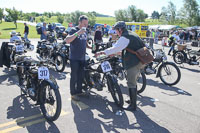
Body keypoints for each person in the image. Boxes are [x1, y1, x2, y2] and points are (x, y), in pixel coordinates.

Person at [95, 21, 144, 111]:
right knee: (133, 82)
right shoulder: (131, 33)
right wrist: (117, 53)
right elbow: (130, 48)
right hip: (140, 61)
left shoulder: (125, 37)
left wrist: (103, 52)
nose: (116, 32)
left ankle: (133, 106)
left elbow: (115, 48)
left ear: (120, 29)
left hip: (134, 62)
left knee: (131, 83)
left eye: (116, 30)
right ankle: (132, 100)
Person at [65, 15, 91, 101]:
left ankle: (79, 91)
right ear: (79, 22)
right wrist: (78, 33)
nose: (86, 26)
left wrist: (89, 47)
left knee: (81, 75)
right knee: (74, 76)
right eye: (84, 23)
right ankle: (73, 93)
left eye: (87, 24)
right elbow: (67, 40)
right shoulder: (74, 30)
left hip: (82, 57)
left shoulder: (85, 31)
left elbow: (84, 40)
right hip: (74, 58)